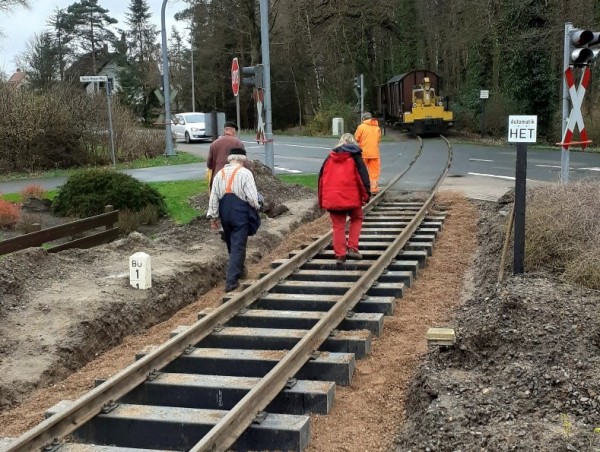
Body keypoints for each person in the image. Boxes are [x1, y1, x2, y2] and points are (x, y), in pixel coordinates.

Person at [207, 148, 261, 292]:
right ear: (242, 159)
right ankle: (231, 282)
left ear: (230, 159)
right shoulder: (245, 173)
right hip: (240, 213)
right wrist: (257, 206)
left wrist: (213, 216)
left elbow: (214, 197)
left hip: (225, 213)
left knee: (232, 243)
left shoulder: (219, 174)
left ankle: (240, 271)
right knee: (238, 246)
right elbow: (252, 198)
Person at [318, 133, 371, 264]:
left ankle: (340, 255)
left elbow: (321, 180)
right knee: (357, 218)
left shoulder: (329, 158)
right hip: (352, 198)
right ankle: (352, 248)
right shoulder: (355, 157)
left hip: (333, 199)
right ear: (353, 143)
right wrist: (367, 194)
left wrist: (321, 199)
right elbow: (363, 176)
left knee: (338, 225)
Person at [207, 121, 245, 188]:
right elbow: (244, 162)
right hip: (233, 178)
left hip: (217, 177)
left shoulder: (214, 143)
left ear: (225, 130)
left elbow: (209, 164)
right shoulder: (238, 143)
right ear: (233, 131)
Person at [354, 112, 382, 193]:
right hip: (375, 154)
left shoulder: (361, 127)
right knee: (374, 172)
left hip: (363, 153)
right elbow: (378, 140)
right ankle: (373, 188)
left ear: (363, 119)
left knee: (361, 170)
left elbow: (356, 139)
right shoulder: (377, 128)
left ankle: (361, 188)